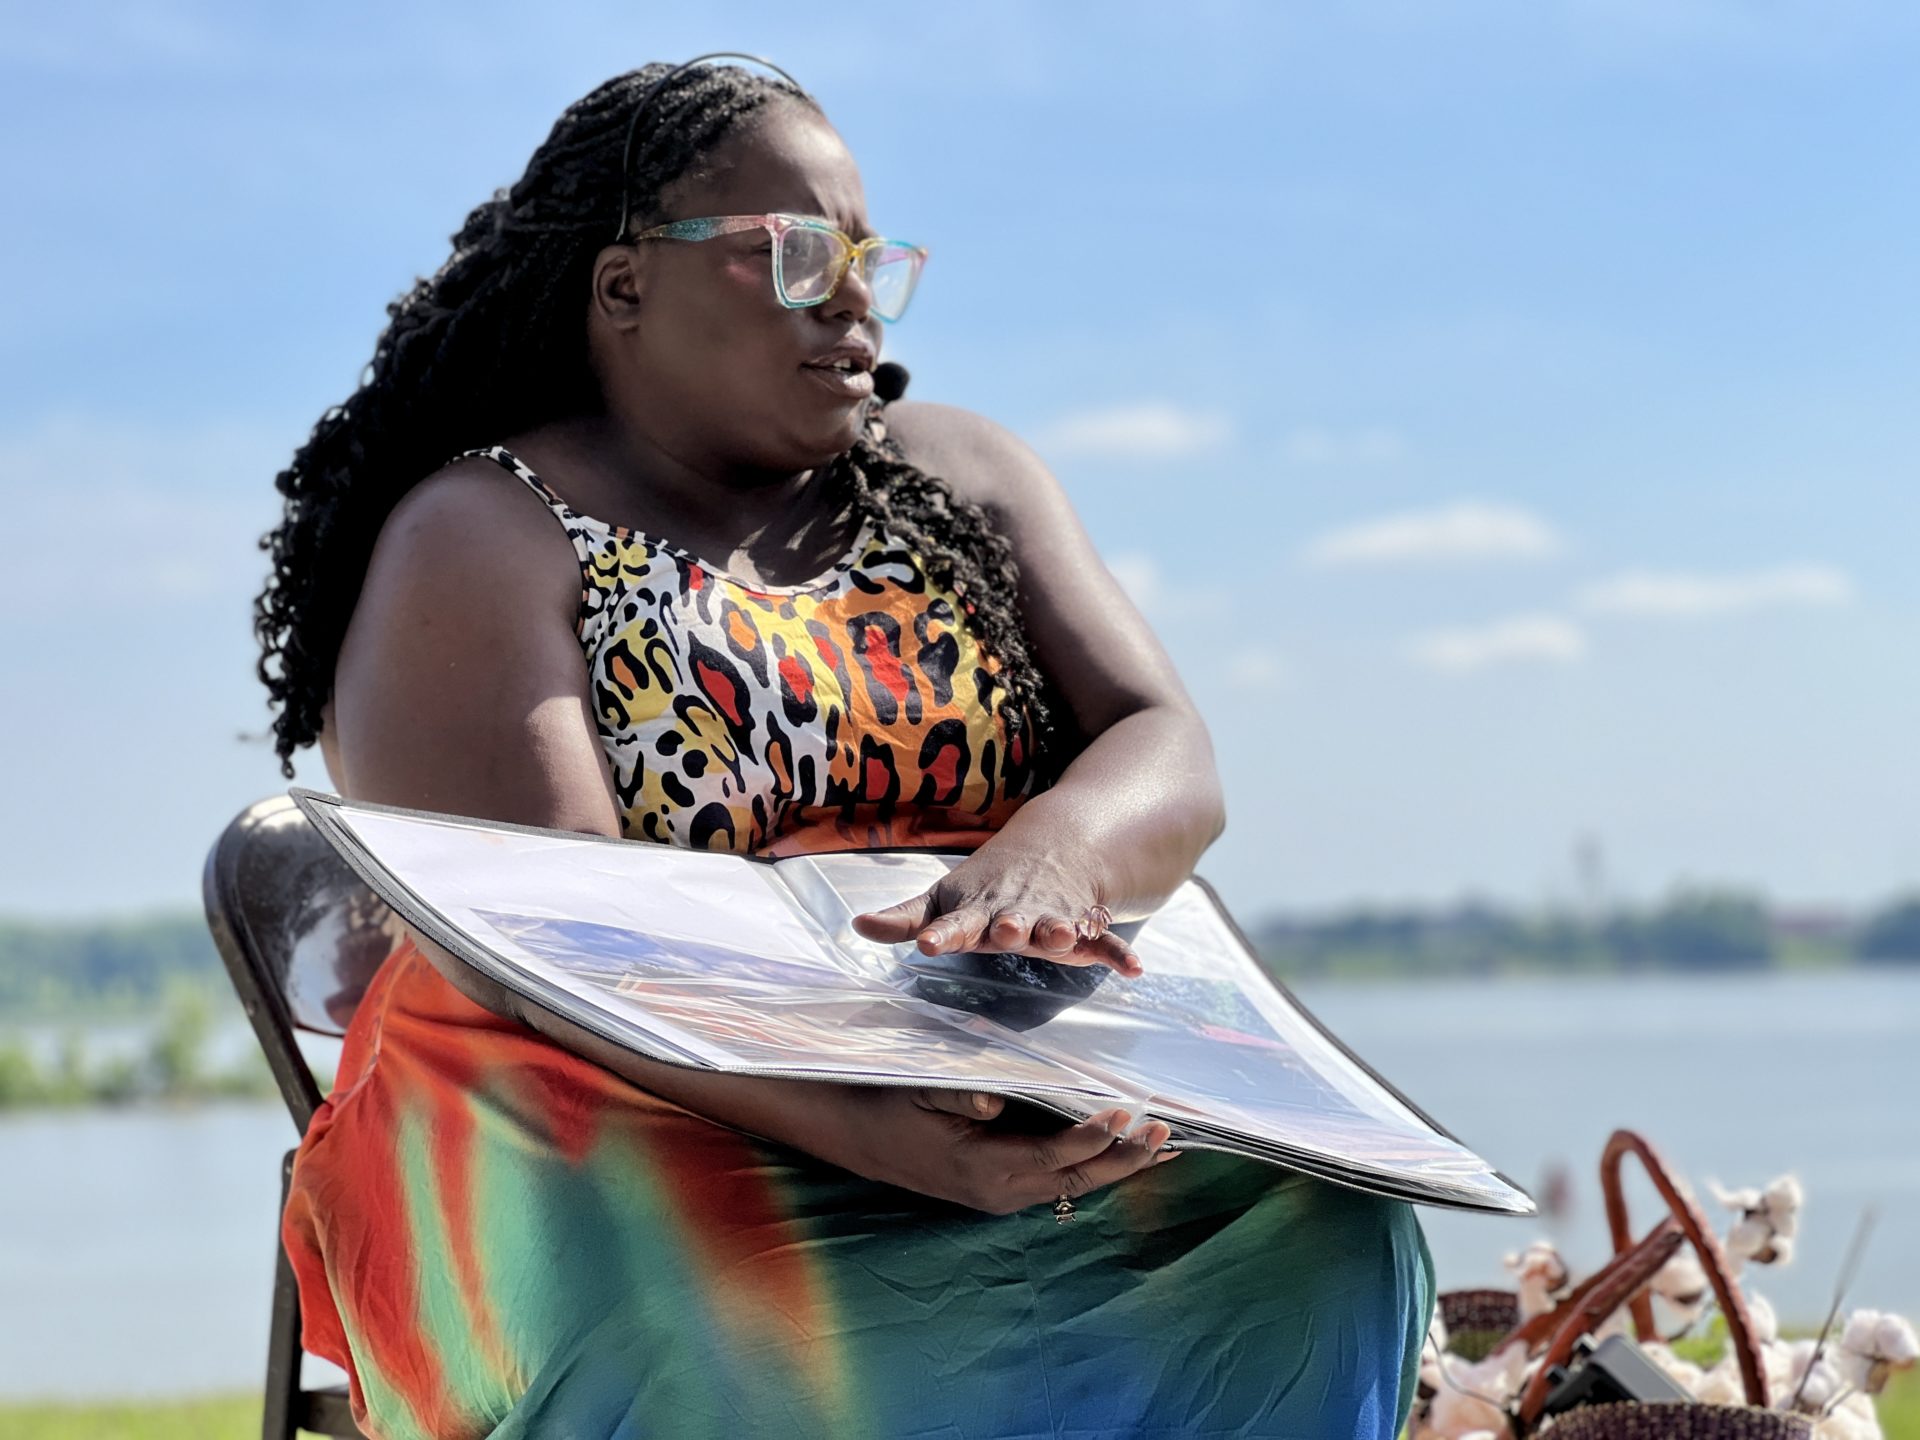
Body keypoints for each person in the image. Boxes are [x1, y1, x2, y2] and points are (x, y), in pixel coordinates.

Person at [261, 57, 1435, 1440]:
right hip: (621, 1100)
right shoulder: (483, 533)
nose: (855, 295)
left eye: (871, 256)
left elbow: (1163, 741)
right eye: (799, 253)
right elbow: (560, 940)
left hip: (983, 1082)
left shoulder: (961, 473)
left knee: (1323, 1231)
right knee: (752, 1330)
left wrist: (1051, 855)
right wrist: (865, 1129)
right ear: (623, 285)